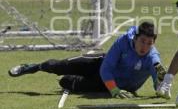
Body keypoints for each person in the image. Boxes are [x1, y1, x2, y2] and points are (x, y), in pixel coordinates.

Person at [8, 22, 166, 98]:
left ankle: (74, 81)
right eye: (142, 41)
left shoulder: (152, 56)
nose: (145, 47)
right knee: (60, 65)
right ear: (135, 38)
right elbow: (106, 68)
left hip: (108, 86)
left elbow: (157, 74)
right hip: (100, 65)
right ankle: (31, 67)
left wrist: (161, 89)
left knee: (65, 82)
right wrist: (114, 90)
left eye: (149, 43)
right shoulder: (123, 41)